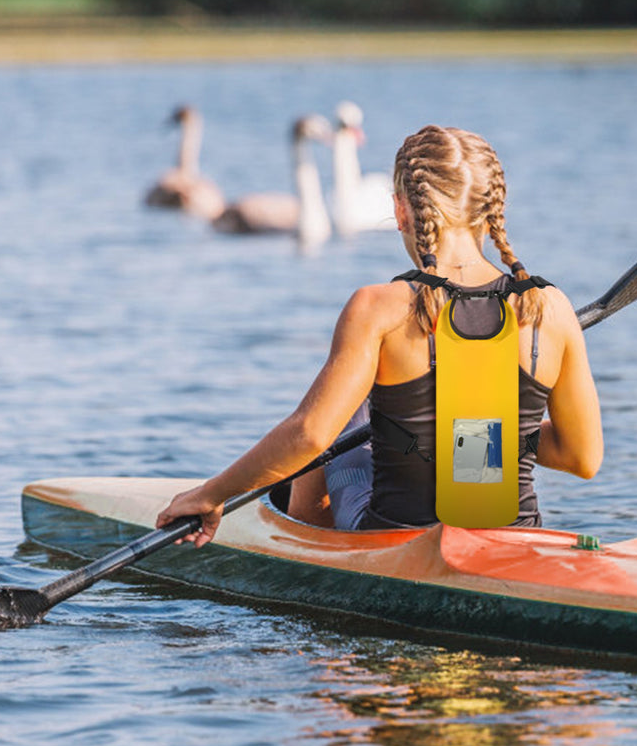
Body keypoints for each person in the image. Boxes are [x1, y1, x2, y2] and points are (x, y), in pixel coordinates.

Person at [156, 125, 603, 545]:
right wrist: (491, 431)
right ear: (493, 212)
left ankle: (304, 536)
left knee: (346, 409)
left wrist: (211, 495)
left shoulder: (378, 308)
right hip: (515, 537)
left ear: (400, 210)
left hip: (394, 536)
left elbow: (310, 435)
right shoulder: (550, 306)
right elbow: (581, 457)